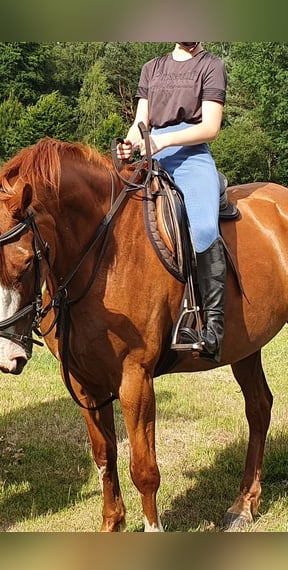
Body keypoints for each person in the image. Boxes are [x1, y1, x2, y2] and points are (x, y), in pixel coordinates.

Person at [117, 42, 228, 363]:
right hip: (151, 154)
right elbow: (141, 121)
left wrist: (163, 139)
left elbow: (210, 127)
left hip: (192, 156)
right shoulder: (152, 67)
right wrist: (130, 143)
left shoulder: (211, 65)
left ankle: (213, 328)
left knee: (205, 228)